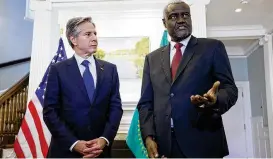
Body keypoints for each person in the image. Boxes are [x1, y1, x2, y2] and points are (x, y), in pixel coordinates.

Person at [137, 0, 238, 158]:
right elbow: (145, 103)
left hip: (203, 142)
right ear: (164, 23)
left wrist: (215, 100)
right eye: (174, 16)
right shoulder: (152, 59)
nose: (181, 20)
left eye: (185, 15)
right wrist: (148, 137)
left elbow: (230, 89)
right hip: (165, 146)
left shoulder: (212, 48)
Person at [43, 17, 123, 158]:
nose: (94, 38)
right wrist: (74, 143)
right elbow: (50, 112)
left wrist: (104, 139)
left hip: (100, 152)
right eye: (88, 34)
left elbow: (115, 108)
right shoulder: (57, 70)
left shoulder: (110, 70)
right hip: (65, 151)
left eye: (95, 33)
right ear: (73, 40)